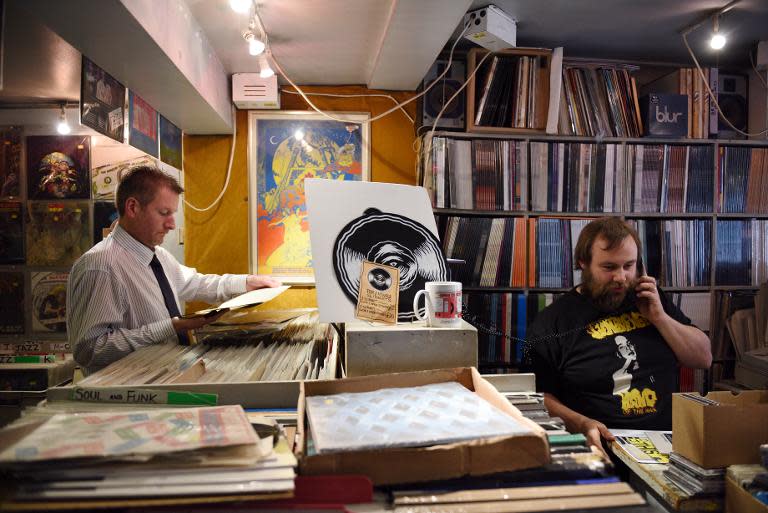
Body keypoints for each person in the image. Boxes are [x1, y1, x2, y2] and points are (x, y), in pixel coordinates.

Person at [67, 165, 281, 374]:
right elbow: (89, 349)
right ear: (132, 207)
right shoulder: (100, 266)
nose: (171, 224)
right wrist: (171, 327)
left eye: (173, 214)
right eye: (164, 213)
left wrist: (246, 282)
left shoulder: (158, 256)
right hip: (127, 398)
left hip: (168, 377)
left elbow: (196, 283)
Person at [525, 217, 711, 454]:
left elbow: (703, 358)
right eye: (609, 267)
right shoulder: (552, 322)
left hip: (668, 445)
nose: (621, 277)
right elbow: (538, 395)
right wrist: (580, 423)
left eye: (628, 266)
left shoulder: (651, 300)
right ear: (583, 263)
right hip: (600, 445)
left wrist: (660, 317)